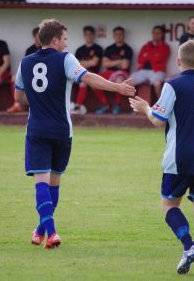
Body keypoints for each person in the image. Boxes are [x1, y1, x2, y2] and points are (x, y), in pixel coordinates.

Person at [14, 19, 135, 249]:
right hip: (61, 130)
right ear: (55, 40)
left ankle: (42, 229)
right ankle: (52, 233)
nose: (67, 44)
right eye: (65, 39)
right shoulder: (66, 59)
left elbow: (18, 98)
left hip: (37, 130)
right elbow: (88, 78)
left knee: (41, 183)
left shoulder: (25, 63)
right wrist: (117, 87)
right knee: (55, 182)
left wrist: (39, 101)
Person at [129, 39, 194, 276]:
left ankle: (189, 247)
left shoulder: (173, 85)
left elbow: (158, 119)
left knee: (169, 204)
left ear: (178, 61)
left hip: (179, 158)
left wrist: (145, 108)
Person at [73, 26, 109, 115]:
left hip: (94, 73)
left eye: (90, 34)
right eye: (86, 34)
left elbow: (94, 63)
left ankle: (78, 107)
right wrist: (88, 62)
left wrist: (82, 62)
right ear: (84, 35)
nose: (88, 36)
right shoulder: (80, 50)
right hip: (80, 74)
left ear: (93, 35)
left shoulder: (98, 48)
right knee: (84, 80)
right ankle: (104, 104)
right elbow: (75, 65)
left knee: (87, 81)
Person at [98, 26, 133, 114]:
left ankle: (118, 105)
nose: (118, 36)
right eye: (116, 34)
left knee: (119, 79)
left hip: (123, 73)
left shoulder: (127, 49)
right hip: (109, 72)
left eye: (120, 34)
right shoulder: (109, 49)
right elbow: (104, 64)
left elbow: (125, 65)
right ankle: (105, 104)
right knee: (95, 80)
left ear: (124, 35)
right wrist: (119, 61)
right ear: (113, 35)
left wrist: (111, 62)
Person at [7, 27, 41, 113]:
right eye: (38, 35)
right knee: (14, 77)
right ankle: (17, 105)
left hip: (41, 75)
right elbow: (25, 65)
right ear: (34, 37)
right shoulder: (30, 50)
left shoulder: (46, 49)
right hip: (31, 74)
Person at [131, 26, 170, 98]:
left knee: (157, 84)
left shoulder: (165, 47)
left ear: (162, 34)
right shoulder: (146, 46)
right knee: (129, 83)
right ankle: (134, 105)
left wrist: (147, 55)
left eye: (158, 33)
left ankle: (162, 106)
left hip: (157, 71)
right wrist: (154, 54)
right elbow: (139, 60)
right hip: (142, 71)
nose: (156, 35)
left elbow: (160, 58)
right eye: (154, 33)